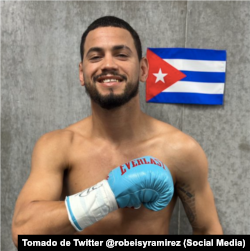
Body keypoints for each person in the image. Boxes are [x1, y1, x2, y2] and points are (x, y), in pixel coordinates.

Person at [12, 15, 223, 246]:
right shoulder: (59, 146)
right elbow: (22, 232)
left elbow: (208, 230)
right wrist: (108, 196)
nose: (109, 64)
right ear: (82, 73)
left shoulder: (180, 150)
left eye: (121, 55)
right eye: (96, 56)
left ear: (143, 69)